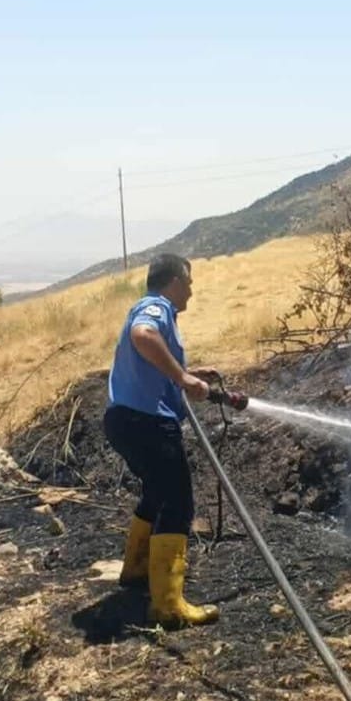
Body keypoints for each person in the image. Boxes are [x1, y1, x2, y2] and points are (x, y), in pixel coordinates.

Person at [103, 253, 220, 627]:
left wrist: (186, 371)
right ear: (172, 281)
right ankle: (168, 606)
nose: (191, 289)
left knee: (156, 494)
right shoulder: (157, 308)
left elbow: (150, 358)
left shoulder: (154, 309)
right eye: (188, 281)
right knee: (178, 502)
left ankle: (136, 571)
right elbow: (143, 336)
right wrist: (184, 380)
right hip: (147, 422)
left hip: (123, 419)